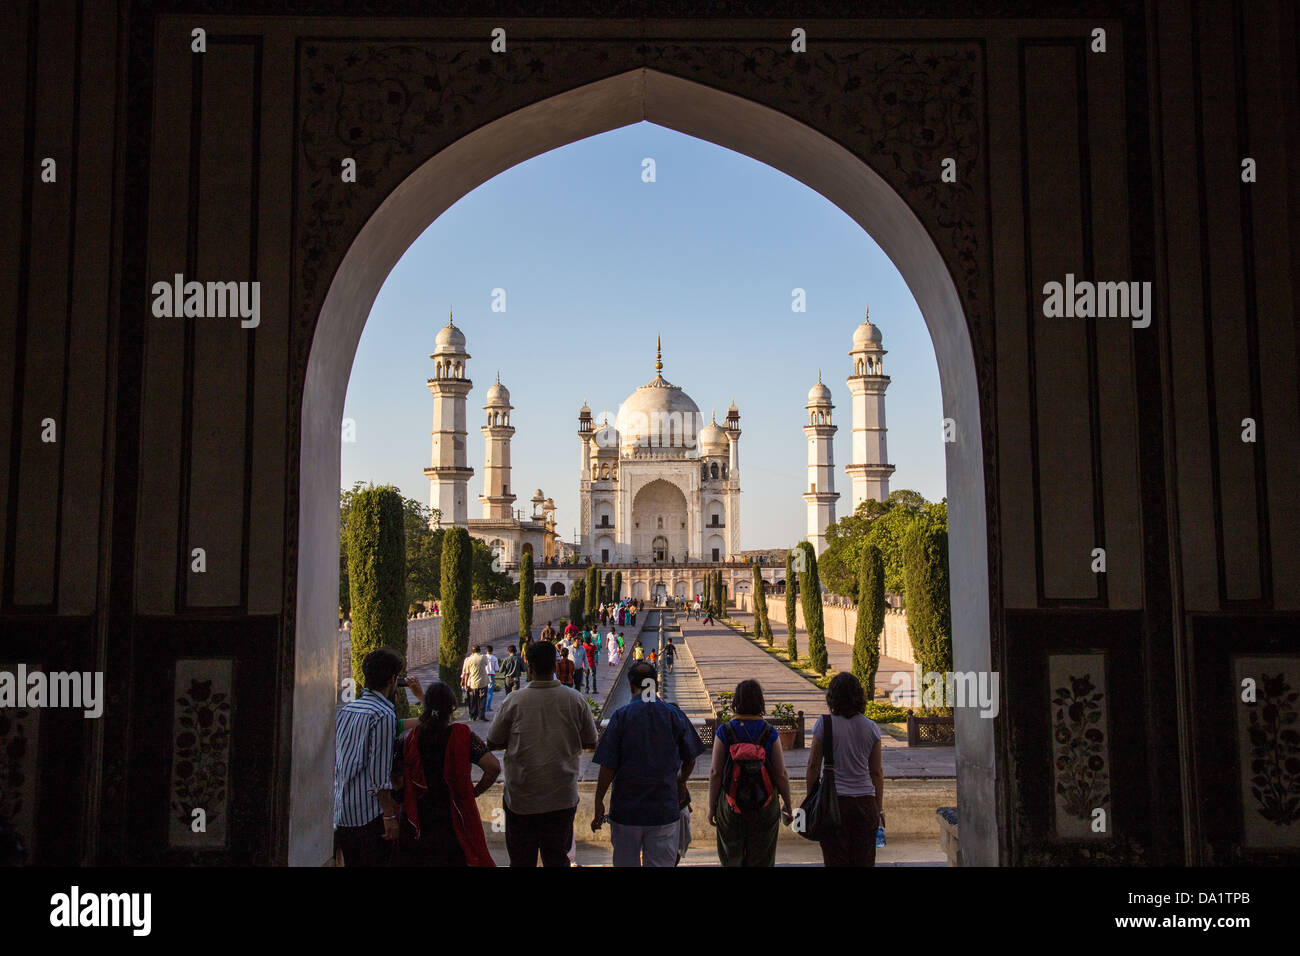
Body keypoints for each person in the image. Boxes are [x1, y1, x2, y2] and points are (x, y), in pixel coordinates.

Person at [486, 641, 598, 866]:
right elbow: (591, 742)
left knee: (521, 860)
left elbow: (493, 741)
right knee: (557, 858)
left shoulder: (514, 701)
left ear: (530, 668)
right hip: (561, 798)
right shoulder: (575, 699)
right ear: (556, 667)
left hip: (522, 799)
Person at [591, 662, 704, 866]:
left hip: (626, 810)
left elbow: (607, 767)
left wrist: (599, 801)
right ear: (656, 686)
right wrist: (680, 781)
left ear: (631, 685)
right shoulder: (673, 715)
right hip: (663, 808)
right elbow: (691, 759)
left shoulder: (621, 717)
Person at [399, 681, 499, 866]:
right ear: (452, 708)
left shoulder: (412, 738)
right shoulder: (462, 735)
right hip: (455, 817)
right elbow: (493, 767)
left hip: (421, 819)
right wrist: (474, 792)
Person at [335, 648, 419, 866]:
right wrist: (389, 817)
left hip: (343, 812)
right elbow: (379, 774)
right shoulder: (383, 715)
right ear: (393, 679)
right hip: (369, 816)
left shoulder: (348, 710)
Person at [707, 679, 793, 867]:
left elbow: (715, 773)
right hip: (765, 805)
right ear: (760, 703)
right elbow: (780, 774)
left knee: (731, 857)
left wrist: (712, 807)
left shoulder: (725, 731)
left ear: (736, 702)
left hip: (731, 805)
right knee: (762, 857)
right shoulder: (769, 733)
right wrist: (788, 803)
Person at [807, 672, 884, 867]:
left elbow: (813, 766)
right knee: (864, 861)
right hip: (865, 802)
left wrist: (812, 797)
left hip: (834, 803)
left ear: (832, 697)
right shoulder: (871, 727)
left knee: (835, 860)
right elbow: (876, 772)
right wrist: (878, 806)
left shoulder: (824, 725)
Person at [460, 644, 489, 721]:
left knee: (472, 700)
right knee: (482, 699)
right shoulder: (483, 657)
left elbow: (466, 673)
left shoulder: (469, 660)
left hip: (473, 683)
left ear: (472, 651)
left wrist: (465, 684)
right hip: (483, 682)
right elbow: (486, 664)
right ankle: (481, 715)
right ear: (479, 650)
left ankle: (472, 716)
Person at [483, 644, 500, 716]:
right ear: (492, 651)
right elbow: (497, 669)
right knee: (490, 691)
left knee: (483, 691)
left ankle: (482, 706)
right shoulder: (494, 658)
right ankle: (488, 707)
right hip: (491, 675)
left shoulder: (483, 657)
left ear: (486, 651)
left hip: (483, 675)